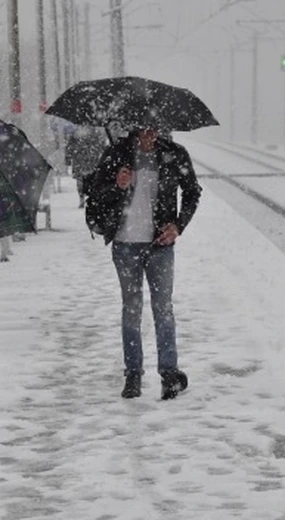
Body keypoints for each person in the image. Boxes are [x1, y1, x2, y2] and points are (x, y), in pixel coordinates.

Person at [86, 128, 202, 400]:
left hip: (159, 244)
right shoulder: (116, 154)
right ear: (134, 128)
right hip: (125, 245)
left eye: (155, 127)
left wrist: (178, 225)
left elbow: (192, 192)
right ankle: (133, 374)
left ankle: (169, 374)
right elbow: (95, 195)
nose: (150, 133)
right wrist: (117, 185)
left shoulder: (174, 154)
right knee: (132, 309)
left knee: (163, 308)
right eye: (144, 128)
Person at [65, 126, 109, 208]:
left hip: (81, 159)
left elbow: (69, 147)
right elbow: (102, 146)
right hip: (90, 159)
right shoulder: (95, 132)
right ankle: (88, 198)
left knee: (81, 181)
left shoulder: (76, 133)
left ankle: (82, 198)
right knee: (91, 180)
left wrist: (68, 158)